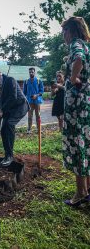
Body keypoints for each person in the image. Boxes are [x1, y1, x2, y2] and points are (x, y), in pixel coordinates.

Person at [61, 16, 90, 206]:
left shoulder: (76, 44)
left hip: (76, 107)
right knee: (86, 144)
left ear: (71, 31)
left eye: (64, 31)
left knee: (76, 145)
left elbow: (78, 58)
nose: (63, 35)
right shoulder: (88, 45)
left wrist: (73, 77)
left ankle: (80, 194)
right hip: (85, 103)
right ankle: (87, 191)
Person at [0, 68, 29, 167]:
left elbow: (13, 97)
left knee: (9, 125)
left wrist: (1, 110)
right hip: (9, 108)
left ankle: (10, 156)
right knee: (3, 129)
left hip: (20, 106)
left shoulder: (10, 80)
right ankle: (7, 155)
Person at [23, 67, 44, 133]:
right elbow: (24, 92)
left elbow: (42, 91)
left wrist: (36, 95)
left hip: (37, 101)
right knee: (29, 116)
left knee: (38, 115)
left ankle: (39, 129)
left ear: (34, 72)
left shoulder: (38, 81)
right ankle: (29, 129)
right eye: (30, 72)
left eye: (32, 72)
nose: (31, 73)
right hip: (29, 101)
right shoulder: (26, 81)